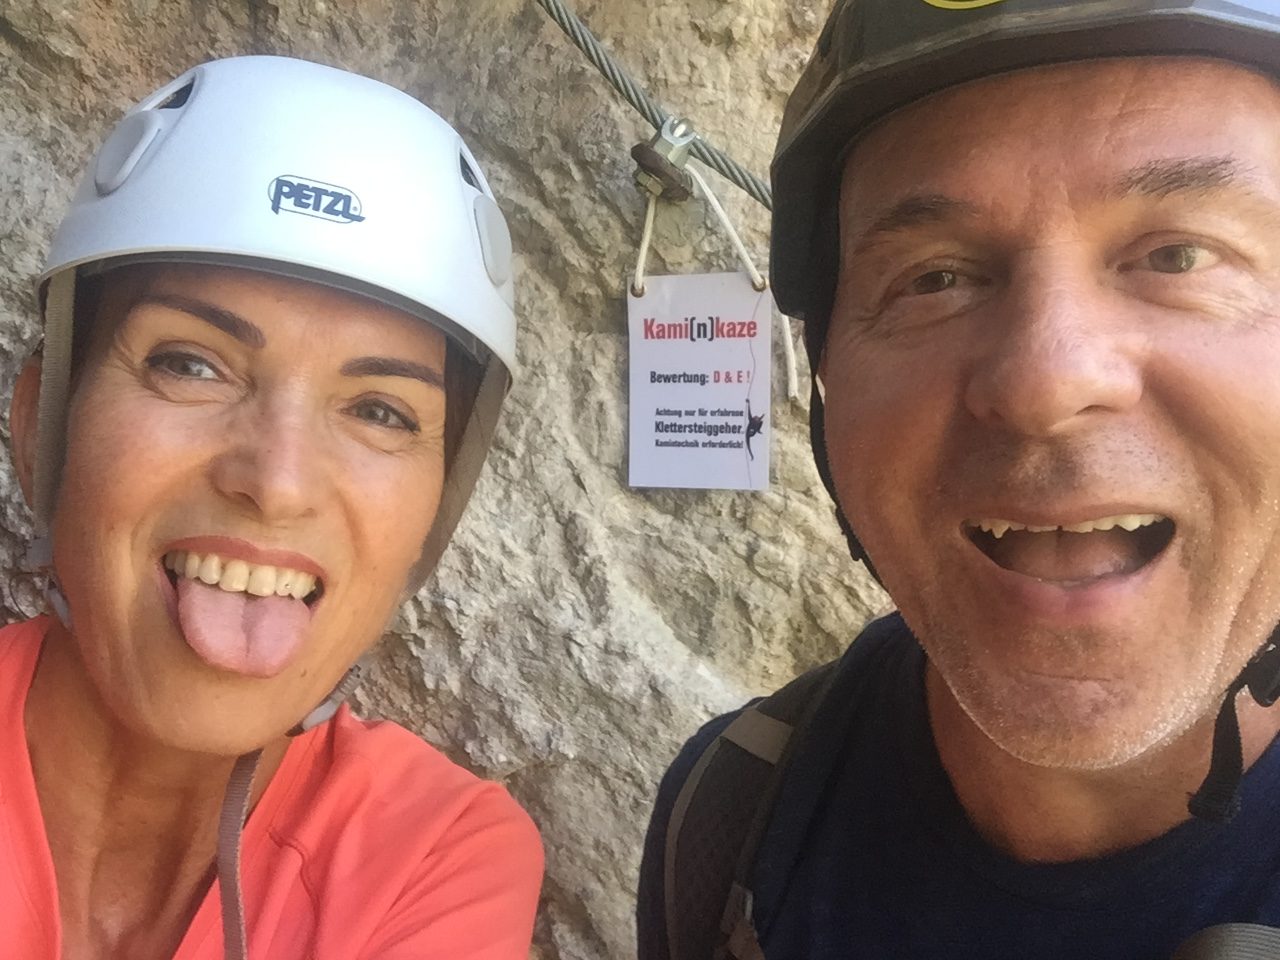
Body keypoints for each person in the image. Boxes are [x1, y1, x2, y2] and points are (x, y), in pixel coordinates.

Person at [637, 2, 1280, 958]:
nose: (1044, 381)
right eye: (933, 279)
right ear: (826, 382)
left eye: (1177, 257)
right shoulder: (732, 817)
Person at [2, 55, 542, 959]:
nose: (278, 483)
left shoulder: (434, 857)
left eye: (380, 411)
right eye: (189, 364)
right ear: (38, 431)